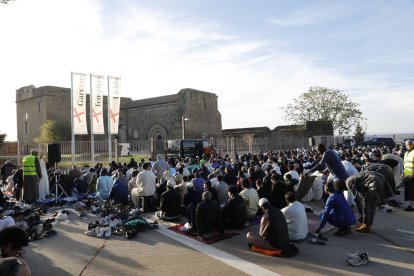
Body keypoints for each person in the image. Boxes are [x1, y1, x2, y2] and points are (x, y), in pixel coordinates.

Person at [402, 139, 414, 211]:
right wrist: (403, 173)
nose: (409, 146)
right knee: (409, 191)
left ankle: (412, 206)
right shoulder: (406, 153)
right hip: (407, 175)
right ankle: (411, 205)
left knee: (412, 191)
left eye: (410, 144)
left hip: (412, 175)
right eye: (407, 145)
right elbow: (405, 164)